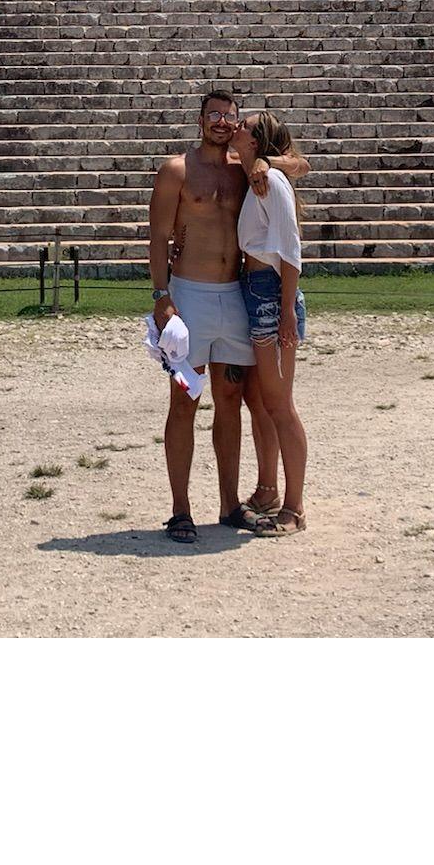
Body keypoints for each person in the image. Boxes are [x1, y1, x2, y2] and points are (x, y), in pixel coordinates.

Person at [148, 89, 308, 543]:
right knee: (184, 401)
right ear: (199, 120)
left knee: (231, 400)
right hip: (192, 295)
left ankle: (228, 503)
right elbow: (158, 237)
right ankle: (180, 509)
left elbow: (299, 164)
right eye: (213, 114)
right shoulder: (178, 169)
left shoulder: (248, 169)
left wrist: (269, 163)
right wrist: (162, 296)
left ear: (239, 125)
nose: (222, 121)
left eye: (230, 116)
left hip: (236, 296)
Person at [233, 110, 308, 535]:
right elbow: (300, 161)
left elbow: (290, 250)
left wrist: (285, 312)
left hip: (269, 291)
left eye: (243, 125)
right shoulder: (253, 174)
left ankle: (294, 507)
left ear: (257, 139)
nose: (235, 127)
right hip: (254, 286)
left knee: (280, 405)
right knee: (259, 401)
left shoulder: (270, 180)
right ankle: (268, 489)